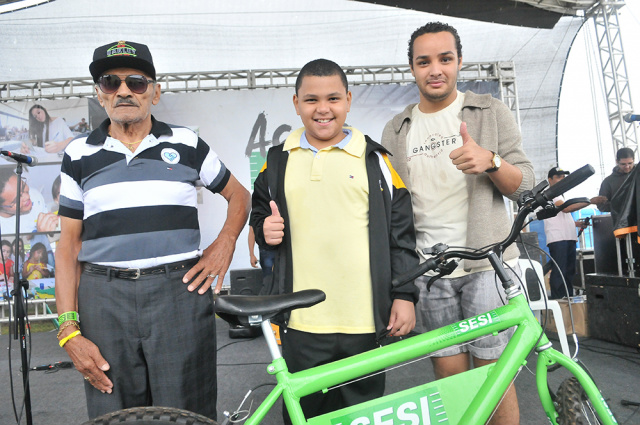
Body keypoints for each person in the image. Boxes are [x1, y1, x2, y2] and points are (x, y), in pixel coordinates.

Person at [54, 40, 250, 420]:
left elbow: (239, 196)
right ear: (100, 94)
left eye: (137, 82)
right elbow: (67, 247)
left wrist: (224, 244)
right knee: (116, 411)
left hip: (179, 294)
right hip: (104, 300)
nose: (124, 91)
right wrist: (68, 330)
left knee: (186, 410)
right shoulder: (78, 155)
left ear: (155, 92)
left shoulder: (187, 143)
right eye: (111, 82)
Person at [381, 22, 535, 425]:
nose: (435, 69)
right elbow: (394, 210)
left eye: (445, 59)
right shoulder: (396, 129)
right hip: (430, 271)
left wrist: (492, 162)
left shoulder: (488, 110)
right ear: (412, 68)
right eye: (424, 61)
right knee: (449, 379)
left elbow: (527, 187)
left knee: (494, 375)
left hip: (487, 265)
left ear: (459, 62)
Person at [250, 58, 419, 423]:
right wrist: (264, 230)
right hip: (300, 322)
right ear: (296, 104)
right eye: (311, 100)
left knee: (363, 415)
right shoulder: (276, 162)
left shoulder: (376, 160)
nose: (322, 109)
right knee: (304, 415)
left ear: (348, 99)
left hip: (364, 320)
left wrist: (404, 295)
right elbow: (260, 214)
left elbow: (401, 235)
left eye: (333, 98)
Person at [544, 167, 590, 299]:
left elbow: (560, 216)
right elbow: (566, 208)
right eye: (558, 177)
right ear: (550, 179)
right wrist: (589, 201)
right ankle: (559, 301)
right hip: (558, 239)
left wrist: (576, 224)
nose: (562, 180)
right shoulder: (550, 193)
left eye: (563, 177)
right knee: (560, 271)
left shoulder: (560, 194)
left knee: (569, 271)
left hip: (568, 237)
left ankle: (568, 300)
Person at [0, 167, 60, 235]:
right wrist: (40, 236)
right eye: (16, 199)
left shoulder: (35, 196)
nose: (27, 197)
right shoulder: (4, 232)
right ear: (2, 208)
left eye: (23, 186)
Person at [591, 147, 635, 212]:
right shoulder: (608, 182)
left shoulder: (638, 174)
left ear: (634, 160)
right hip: (623, 220)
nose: (627, 167)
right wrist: (622, 206)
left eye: (630, 163)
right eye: (623, 164)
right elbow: (601, 206)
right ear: (617, 162)